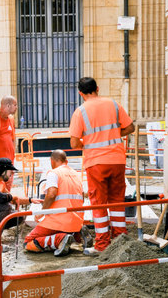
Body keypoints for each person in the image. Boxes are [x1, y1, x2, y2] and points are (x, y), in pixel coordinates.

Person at [69, 77, 134, 256]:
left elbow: (74, 142)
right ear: (97, 88)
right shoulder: (113, 104)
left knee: (98, 203)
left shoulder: (80, 112)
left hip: (96, 162)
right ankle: (121, 240)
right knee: (117, 200)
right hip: (117, 160)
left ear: (80, 93)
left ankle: (103, 245)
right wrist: (113, 134)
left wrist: (88, 143)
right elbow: (130, 128)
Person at [24, 150, 92, 257]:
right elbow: (81, 198)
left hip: (58, 220)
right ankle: (77, 234)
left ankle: (59, 239)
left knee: (28, 242)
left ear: (52, 161)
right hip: (76, 220)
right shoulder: (76, 174)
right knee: (64, 230)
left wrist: (42, 213)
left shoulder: (54, 173)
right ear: (66, 161)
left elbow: (51, 195)